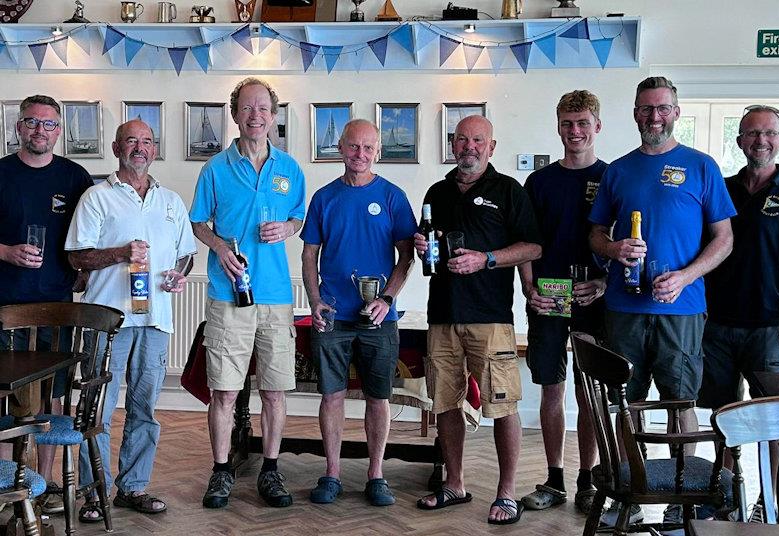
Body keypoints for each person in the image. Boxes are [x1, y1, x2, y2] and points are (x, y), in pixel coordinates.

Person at [588, 76, 736, 526]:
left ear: (676, 111)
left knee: (680, 404)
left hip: (682, 310)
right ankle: (625, 498)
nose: (655, 116)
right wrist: (614, 249)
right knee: (625, 405)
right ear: (635, 113)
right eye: (646, 108)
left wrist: (686, 276)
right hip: (625, 309)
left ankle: (680, 498)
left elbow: (724, 239)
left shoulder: (702, 166)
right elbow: (595, 234)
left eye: (663, 108)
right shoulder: (617, 170)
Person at [66, 119, 196, 522]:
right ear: (116, 147)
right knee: (97, 411)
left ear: (155, 148)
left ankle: (133, 487)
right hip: (107, 321)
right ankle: (93, 493)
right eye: (131, 141)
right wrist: (120, 253)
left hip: (155, 320)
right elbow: (76, 256)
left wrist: (180, 273)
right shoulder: (96, 197)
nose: (139, 148)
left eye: (146, 141)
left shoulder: (171, 201)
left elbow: (185, 252)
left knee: (145, 410)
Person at [414, 115, 542, 525]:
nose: (469, 147)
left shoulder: (508, 190)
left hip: (490, 319)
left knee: (502, 407)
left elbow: (532, 247)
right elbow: (427, 255)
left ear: (492, 146)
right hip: (442, 317)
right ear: (453, 144)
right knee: (446, 404)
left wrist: (487, 259)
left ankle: (506, 495)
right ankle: (454, 484)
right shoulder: (436, 192)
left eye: (478, 140)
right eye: (462, 139)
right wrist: (422, 246)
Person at [189, 78, 306, 509]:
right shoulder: (215, 169)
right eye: (247, 108)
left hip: (275, 296)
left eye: (263, 108)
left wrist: (288, 228)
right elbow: (199, 222)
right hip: (227, 294)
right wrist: (219, 246)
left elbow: (299, 217)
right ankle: (221, 472)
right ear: (235, 114)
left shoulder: (290, 169)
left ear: (274, 116)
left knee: (275, 391)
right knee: (224, 391)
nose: (255, 115)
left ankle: (270, 471)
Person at [300, 119, 416, 507]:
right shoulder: (323, 198)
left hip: (378, 318)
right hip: (333, 316)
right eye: (353, 147)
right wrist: (315, 300)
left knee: (378, 397)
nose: (360, 155)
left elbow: (407, 255)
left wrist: (388, 298)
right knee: (331, 396)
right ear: (340, 148)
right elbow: (309, 254)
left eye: (368, 148)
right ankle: (331, 473)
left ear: (378, 151)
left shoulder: (392, 196)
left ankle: (376, 474)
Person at [699, 105, 779, 518]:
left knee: (774, 423)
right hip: (717, 326)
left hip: (769, 330)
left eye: (769, 133)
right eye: (751, 134)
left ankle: (768, 502)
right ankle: (724, 495)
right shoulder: (721, 190)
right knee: (723, 418)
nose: (760, 141)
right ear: (739, 141)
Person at [0, 94, 93, 514]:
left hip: (57, 306)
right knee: (4, 396)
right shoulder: (1, 173)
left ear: (60, 131)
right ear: (18, 127)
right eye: (32, 122)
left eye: (49, 123)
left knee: (52, 397)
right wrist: (5, 252)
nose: (40, 130)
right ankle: (3, 485)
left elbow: (93, 234)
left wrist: (87, 272)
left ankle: (47, 482)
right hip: (6, 306)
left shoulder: (76, 177)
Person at [517, 90, 606, 516]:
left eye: (583, 123)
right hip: (548, 296)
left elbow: (622, 243)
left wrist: (605, 283)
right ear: (558, 126)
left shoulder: (613, 178)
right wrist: (528, 288)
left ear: (597, 126)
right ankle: (554, 479)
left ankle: (587, 480)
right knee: (551, 387)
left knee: (591, 391)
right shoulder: (539, 182)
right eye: (568, 124)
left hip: (594, 298)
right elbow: (527, 243)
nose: (575, 131)